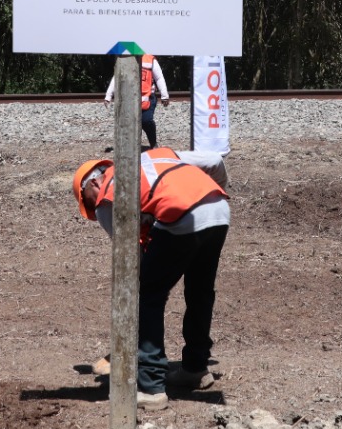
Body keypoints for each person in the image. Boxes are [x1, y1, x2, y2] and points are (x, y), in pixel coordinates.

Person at [74, 147, 230, 409]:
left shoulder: (106, 196)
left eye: (87, 201)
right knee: (200, 291)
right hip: (218, 208)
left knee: (146, 295)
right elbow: (214, 159)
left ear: (92, 183)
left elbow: (130, 259)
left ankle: (150, 386)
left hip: (179, 215)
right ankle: (195, 368)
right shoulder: (157, 156)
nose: (94, 207)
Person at [104, 53, 169, 149]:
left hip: (148, 99)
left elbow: (159, 78)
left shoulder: (150, 59)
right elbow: (116, 77)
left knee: (146, 121)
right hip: (130, 100)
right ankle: (131, 146)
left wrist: (164, 96)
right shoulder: (126, 58)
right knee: (130, 123)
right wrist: (108, 96)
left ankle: (153, 143)